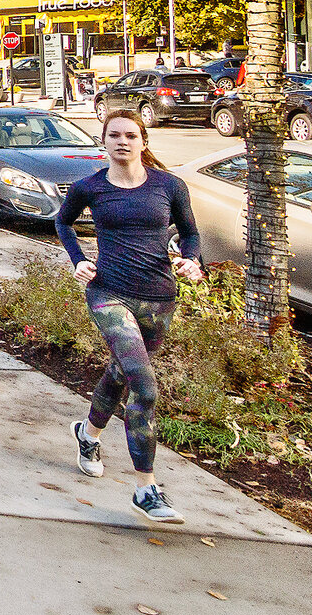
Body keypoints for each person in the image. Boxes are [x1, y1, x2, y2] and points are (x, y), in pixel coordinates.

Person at [56, 110, 204, 525]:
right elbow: (63, 222)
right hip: (108, 293)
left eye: (131, 135)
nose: (123, 141)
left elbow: (190, 232)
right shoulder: (90, 187)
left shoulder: (169, 185)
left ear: (144, 141)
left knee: (121, 373)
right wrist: (78, 260)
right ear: (103, 141)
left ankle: (88, 433)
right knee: (143, 384)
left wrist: (191, 260)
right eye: (114, 135)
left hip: (159, 298)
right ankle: (146, 488)